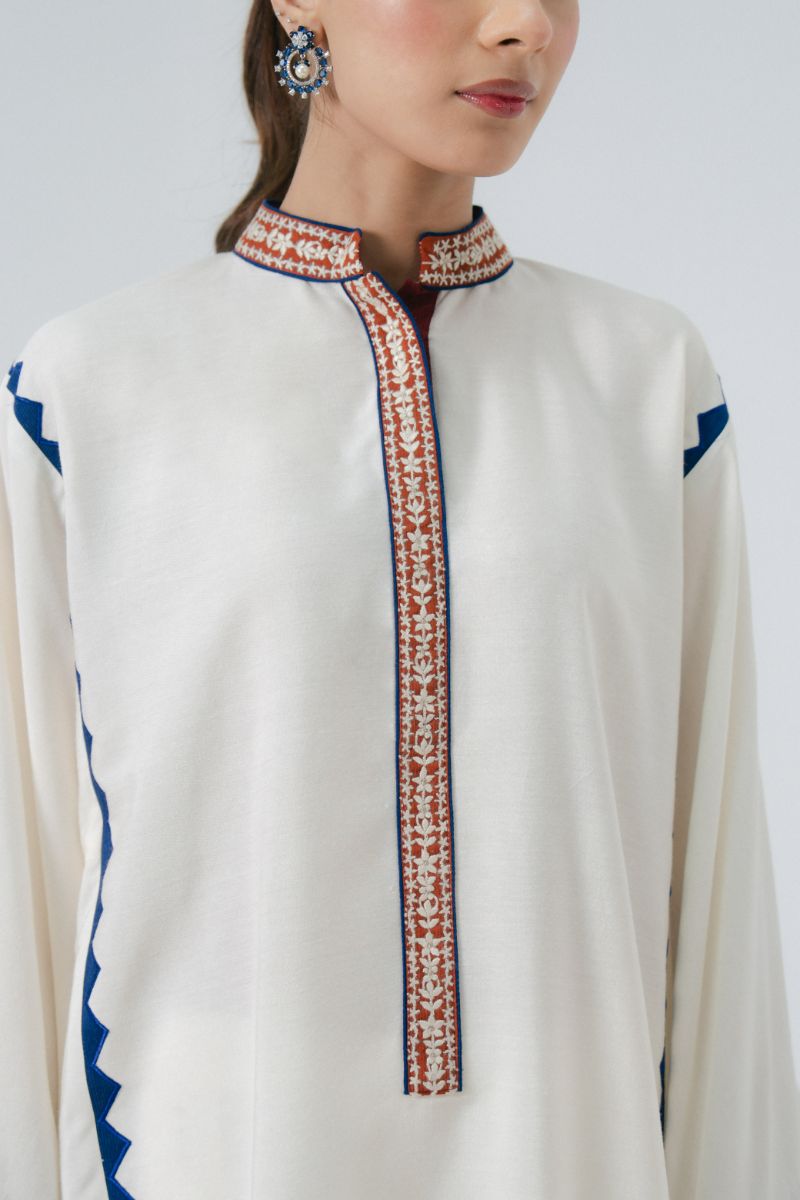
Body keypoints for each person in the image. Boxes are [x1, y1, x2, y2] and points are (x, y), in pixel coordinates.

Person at [1, 1, 798, 1197]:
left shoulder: (647, 385)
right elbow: (23, 887)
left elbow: (717, 876)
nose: (524, 25)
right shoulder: (86, 395)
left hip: (569, 1156)